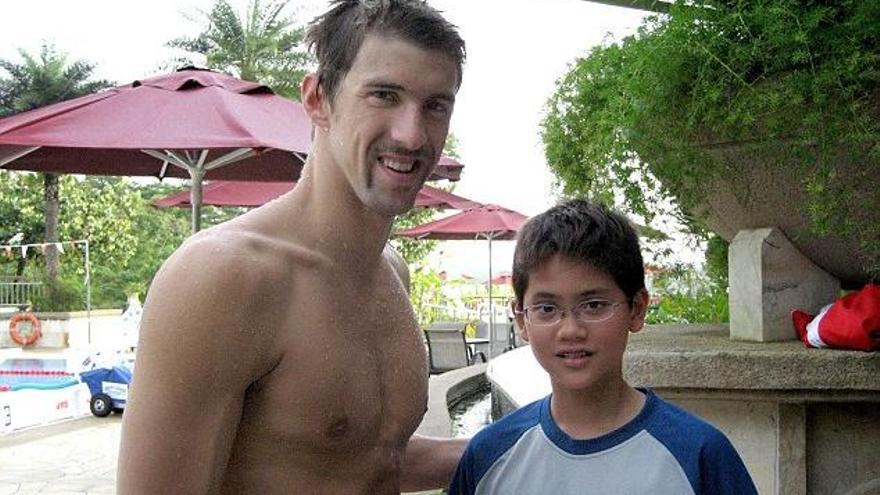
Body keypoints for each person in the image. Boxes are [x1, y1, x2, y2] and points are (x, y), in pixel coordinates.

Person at [118, 1, 467, 493]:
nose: (412, 134)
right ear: (317, 99)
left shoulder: (390, 272)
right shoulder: (224, 277)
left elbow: (363, 459)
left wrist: (535, 435)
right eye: (384, 95)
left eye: (435, 105)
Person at [448, 199, 757, 495]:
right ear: (521, 319)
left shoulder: (699, 456)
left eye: (594, 305)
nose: (571, 330)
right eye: (546, 309)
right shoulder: (488, 455)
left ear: (636, 309)